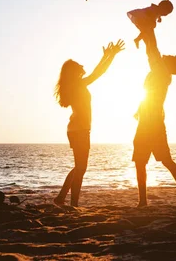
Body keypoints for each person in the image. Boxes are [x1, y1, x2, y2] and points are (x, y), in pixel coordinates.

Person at [53, 39, 125, 206]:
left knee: (79, 167)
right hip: (79, 130)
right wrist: (110, 55)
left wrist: (107, 55)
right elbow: (98, 73)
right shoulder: (78, 84)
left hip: (78, 129)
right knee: (81, 168)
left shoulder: (76, 84)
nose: (82, 66)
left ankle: (61, 198)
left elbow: (96, 71)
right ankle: (73, 203)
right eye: (79, 65)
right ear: (73, 71)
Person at [133, 27, 176, 206]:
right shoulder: (159, 72)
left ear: (170, 66)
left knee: (164, 160)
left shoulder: (162, 73)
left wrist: (149, 29)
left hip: (154, 123)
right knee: (141, 161)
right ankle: (143, 201)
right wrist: (145, 34)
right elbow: (152, 53)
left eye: (170, 58)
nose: (166, 56)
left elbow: (154, 51)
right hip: (146, 121)